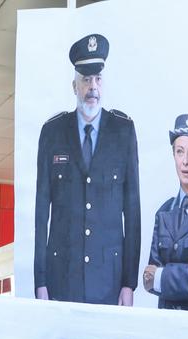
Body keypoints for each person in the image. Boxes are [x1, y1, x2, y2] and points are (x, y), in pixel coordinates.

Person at [34, 33, 140, 306]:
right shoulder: (52, 132)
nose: (92, 87)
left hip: (109, 279)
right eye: (85, 80)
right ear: (74, 85)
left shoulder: (123, 130)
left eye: (98, 79)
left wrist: (129, 283)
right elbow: (40, 212)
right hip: (62, 277)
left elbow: (133, 210)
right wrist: (41, 281)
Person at [144, 114, 188, 311]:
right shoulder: (164, 211)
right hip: (165, 321)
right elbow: (148, 280)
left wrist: (161, 276)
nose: (185, 162)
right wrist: (162, 277)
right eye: (179, 152)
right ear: (173, 155)